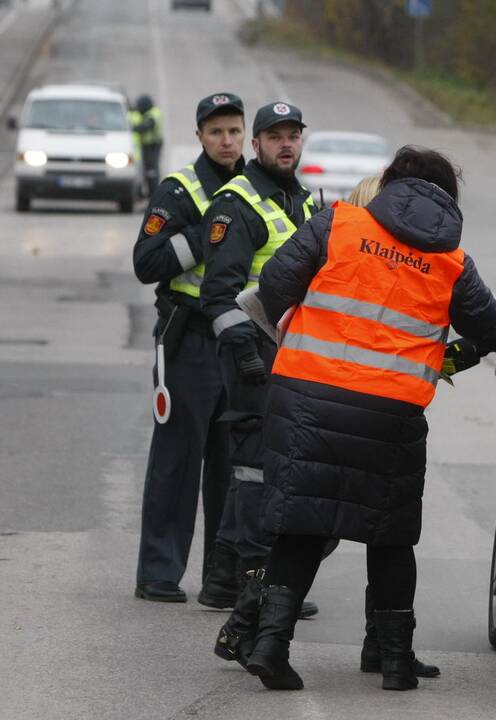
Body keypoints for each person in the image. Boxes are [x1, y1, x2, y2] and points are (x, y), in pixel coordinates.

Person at [241, 145, 496, 692]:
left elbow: (273, 286)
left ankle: (270, 646)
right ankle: (393, 662)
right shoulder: (451, 263)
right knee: (389, 537)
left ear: (390, 183)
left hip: (304, 400)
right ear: (448, 201)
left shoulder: (337, 223)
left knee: (301, 524)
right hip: (388, 415)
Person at [203, 101, 321, 663]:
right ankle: (254, 581)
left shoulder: (301, 198)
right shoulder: (239, 202)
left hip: (291, 357)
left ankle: (241, 581)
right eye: (275, 136)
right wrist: (245, 353)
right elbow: (219, 294)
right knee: (255, 470)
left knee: (271, 469)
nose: (286, 145)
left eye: (293, 135)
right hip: (252, 357)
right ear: (256, 145)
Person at [132, 92, 247, 604]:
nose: (226, 141)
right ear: (200, 135)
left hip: (244, 345)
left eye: (234, 131)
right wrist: (207, 235)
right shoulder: (180, 191)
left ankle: (226, 579)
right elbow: (146, 263)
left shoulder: (257, 187)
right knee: (178, 460)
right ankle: (159, 571)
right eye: (216, 132)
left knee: (237, 468)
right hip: (190, 339)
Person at [130, 94, 164, 196]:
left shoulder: (155, 113)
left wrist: (134, 129)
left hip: (153, 145)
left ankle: (153, 193)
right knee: (143, 171)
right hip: (143, 146)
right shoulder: (137, 113)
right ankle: (143, 193)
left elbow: (147, 125)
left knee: (152, 171)